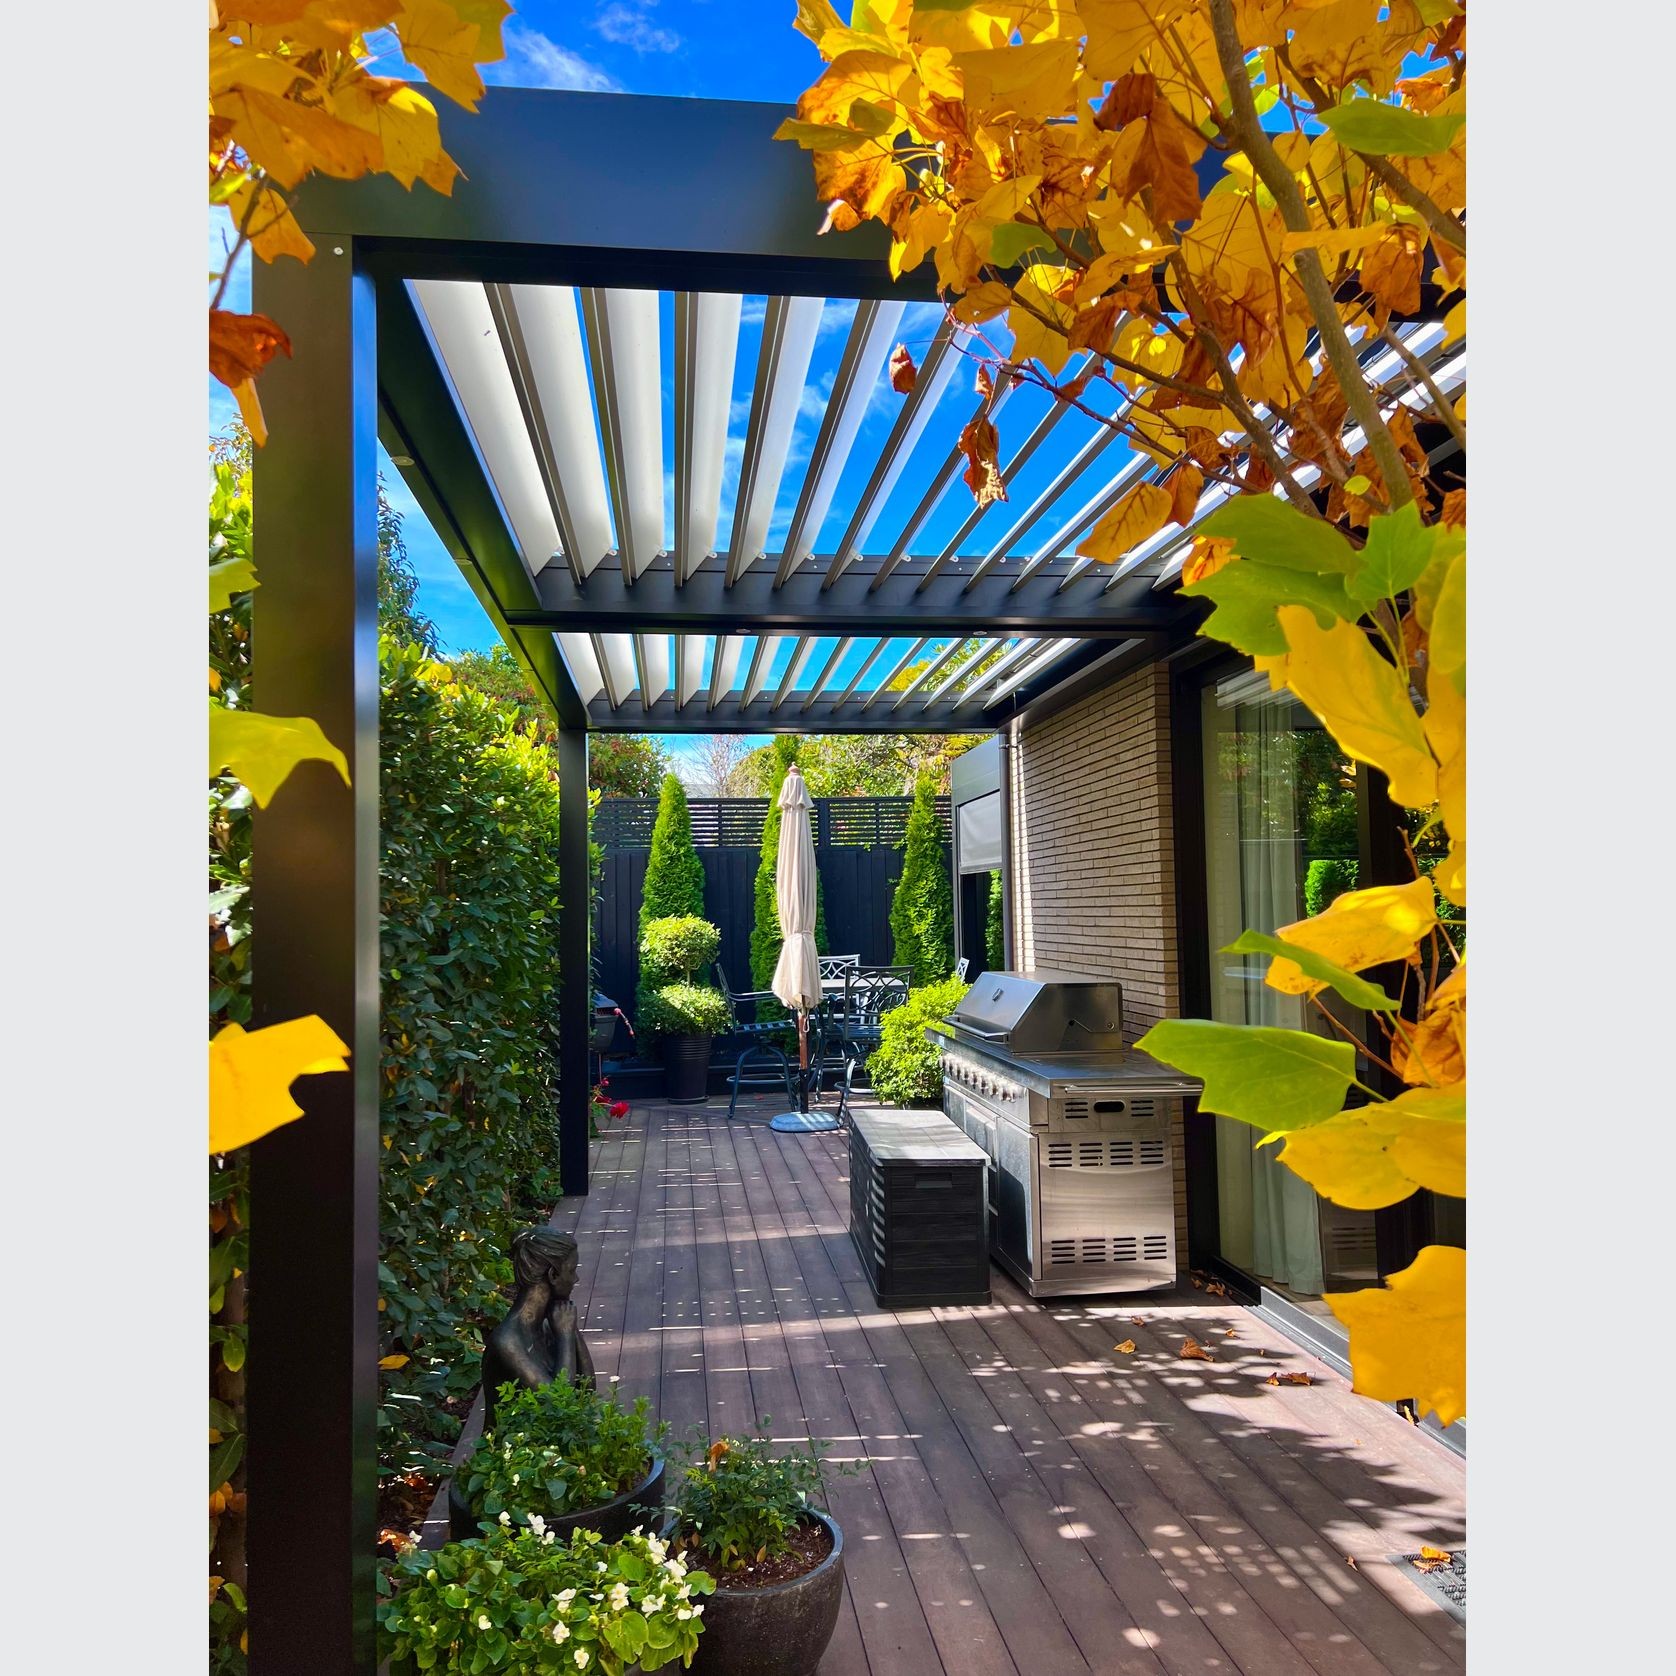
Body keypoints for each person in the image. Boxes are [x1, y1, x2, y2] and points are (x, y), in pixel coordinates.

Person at [480, 1227, 595, 1427]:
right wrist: (566, 1334)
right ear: (553, 1275)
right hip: (511, 1453)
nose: (576, 1279)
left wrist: (571, 1329)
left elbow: (588, 1390)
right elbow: (560, 1405)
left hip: (545, 1445)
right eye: (572, 1270)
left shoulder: (550, 1322)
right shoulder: (507, 1341)